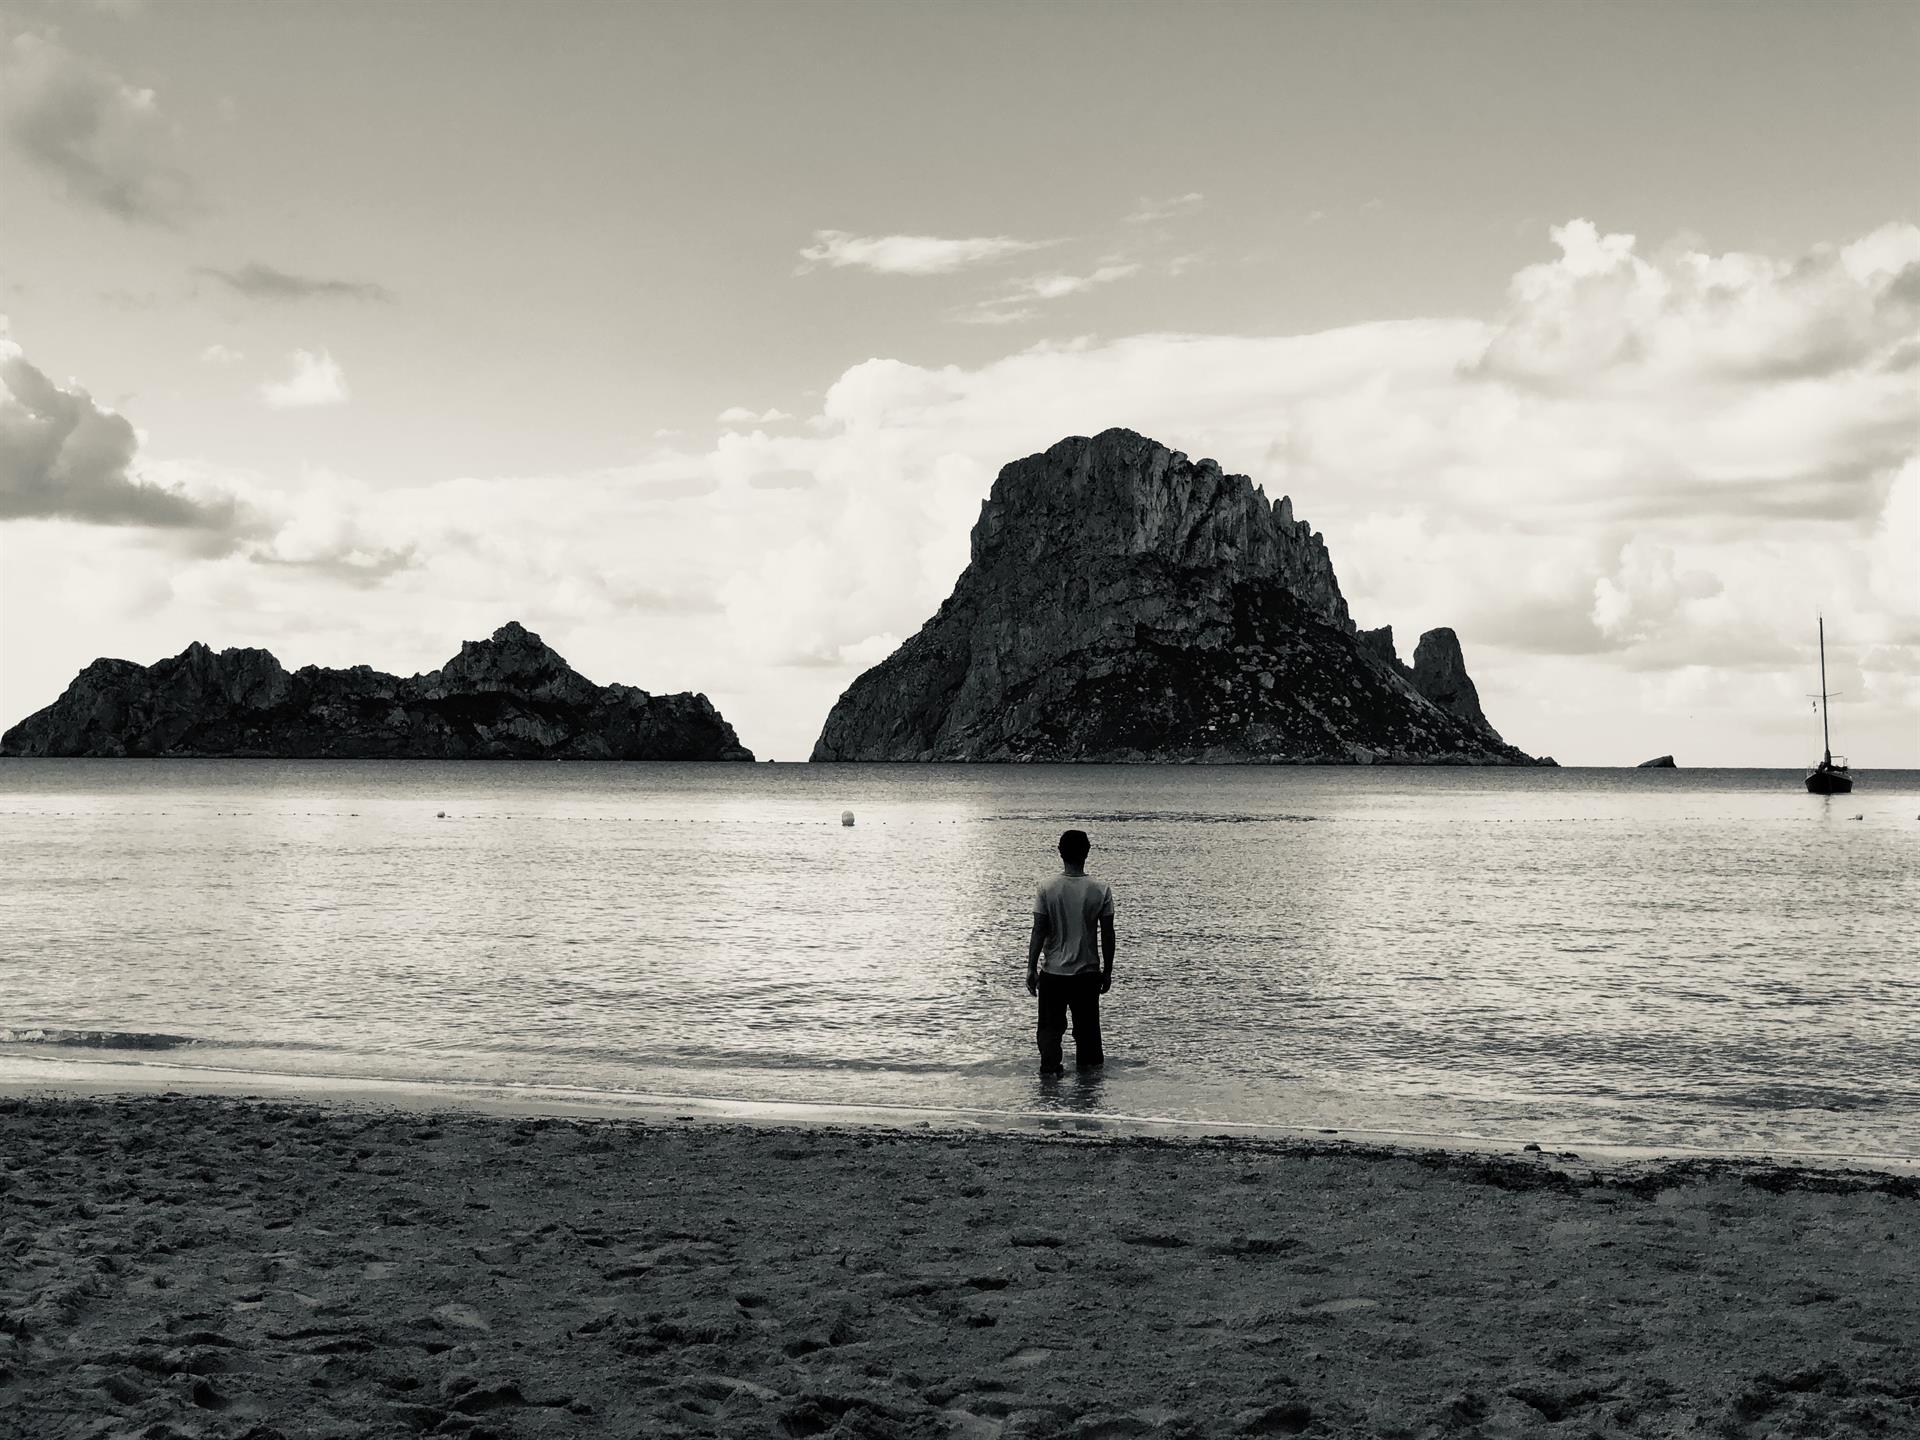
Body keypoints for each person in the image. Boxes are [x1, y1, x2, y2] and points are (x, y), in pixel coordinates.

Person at [1026, 828, 1116, 1076]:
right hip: (1087, 973)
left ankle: (1049, 1085)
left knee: (1049, 1032)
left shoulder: (1046, 888)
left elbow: (1039, 930)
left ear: (1060, 853)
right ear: (1087, 852)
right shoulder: (1100, 889)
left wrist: (1030, 968)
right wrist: (1107, 971)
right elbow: (1108, 935)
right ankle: (1087, 1098)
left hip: (1053, 973)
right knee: (1088, 1037)